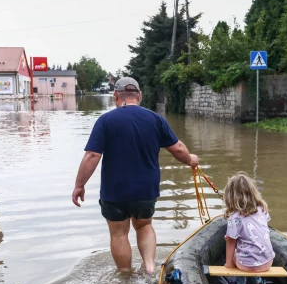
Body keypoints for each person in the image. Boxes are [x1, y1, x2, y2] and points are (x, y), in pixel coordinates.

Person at [72, 77, 199, 274]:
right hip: (145, 189)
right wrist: (191, 159)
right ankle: (150, 268)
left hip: (115, 192)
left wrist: (79, 185)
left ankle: (125, 275)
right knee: (144, 226)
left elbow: (92, 155)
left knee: (119, 234)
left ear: (116, 96)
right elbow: (178, 148)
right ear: (139, 96)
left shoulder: (106, 120)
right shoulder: (155, 119)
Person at [221, 172, 274, 284]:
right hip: (267, 261)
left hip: (246, 265)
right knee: (253, 249)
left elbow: (231, 242)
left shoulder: (235, 218)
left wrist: (228, 264)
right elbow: (257, 231)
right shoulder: (262, 209)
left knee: (236, 253)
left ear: (230, 196)